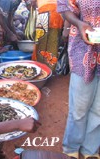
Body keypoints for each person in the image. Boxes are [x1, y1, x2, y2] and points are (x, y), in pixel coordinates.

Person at [57, 1, 100, 159]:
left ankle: (90, 149)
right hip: (83, 50)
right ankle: (72, 146)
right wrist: (79, 23)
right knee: (79, 107)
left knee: (99, 108)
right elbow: (66, 8)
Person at [31, 0, 64, 72]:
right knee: (52, 46)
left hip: (44, 13)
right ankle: (49, 71)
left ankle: (38, 70)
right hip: (57, 15)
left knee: (40, 45)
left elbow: (32, 3)